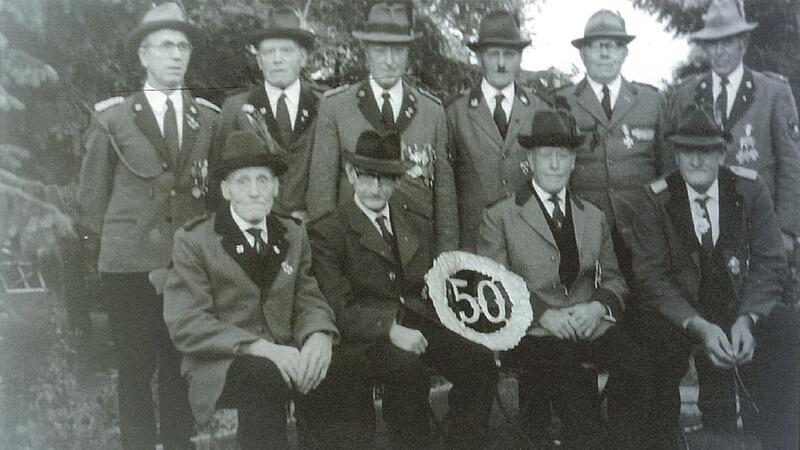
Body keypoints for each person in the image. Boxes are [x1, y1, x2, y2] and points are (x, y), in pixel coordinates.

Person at [163, 131, 367, 449]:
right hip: (222, 362)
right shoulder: (194, 241)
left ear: (275, 186)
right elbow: (188, 324)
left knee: (346, 366)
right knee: (265, 376)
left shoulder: (293, 233)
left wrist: (319, 335)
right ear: (226, 190)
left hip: (286, 352)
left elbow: (307, 296)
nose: (255, 191)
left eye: (263, 180)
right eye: (243, 182)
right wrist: (262, 348)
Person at [77, 3, 218, 448]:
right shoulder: (113, 118)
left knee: (181, 367)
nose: (174, 55)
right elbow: (91, 201)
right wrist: (124, 246)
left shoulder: (208, 119)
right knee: (135, 370)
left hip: (186, 268)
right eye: (163, 46)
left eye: (182, 46)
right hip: (130, 269)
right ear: (143, 55)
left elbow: (212, 195)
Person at [621, 105, 799, 449]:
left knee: (788, 328)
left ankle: (776, 437)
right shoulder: (656, 198)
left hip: (739, 306)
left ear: (721, 153)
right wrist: (698, 326)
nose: (697, 161)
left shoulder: (749, 188)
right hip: (683, 314)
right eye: (688, 151)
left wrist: (749, 318)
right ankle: (664, 439)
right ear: (676, 154)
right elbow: (652, 276)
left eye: (706, 151)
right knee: (646, 343)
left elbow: (770, 260)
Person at [477, 109, 654, 449]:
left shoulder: (593, 216)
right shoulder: (500, 216)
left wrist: (598, 309)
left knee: (637, 367)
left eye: (563, 156)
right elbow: (494, 285)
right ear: (530, 159)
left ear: (574, 161)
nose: (555, 165)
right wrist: (544, 313)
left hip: (589, 325)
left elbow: (615, 278)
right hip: (532, 332)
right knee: (572, 382)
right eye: (547, 156)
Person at [309, 130, 497, 449]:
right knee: (407, 370)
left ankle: (465, 441)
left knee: (478, 360)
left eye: (385, 179)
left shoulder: (411, 220)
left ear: (397, 181)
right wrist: (389, 329)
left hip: (418, 323)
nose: (375, 189)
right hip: (365, 336)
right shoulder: (329, 230)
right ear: (351, 175)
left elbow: (422, 284)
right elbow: (337, 307)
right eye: (367, 177)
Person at [668, 0, 800, 299]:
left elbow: (792, 168)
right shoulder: (686, 94)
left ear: (743, 43)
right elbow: (673, 164)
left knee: (765, 315)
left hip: (759, 227)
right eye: (712, 43)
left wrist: (788, 232)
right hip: (703, 231)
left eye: (727, 41)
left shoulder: (773, 93)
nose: (719, 51)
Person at [306, 0, 457, 253]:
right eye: (380, 50)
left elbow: (445, 201)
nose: (389, 61)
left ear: (408, 53)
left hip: (418, 254)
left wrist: (447, 262)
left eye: (397, 51)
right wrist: (327, 256)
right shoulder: (337, 106)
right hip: (355, 252)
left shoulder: (432, 111)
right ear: (366, 51)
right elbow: (321, 195)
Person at [445, 10, 547, 252]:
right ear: (480, 58)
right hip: (474, 242)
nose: (501, 63)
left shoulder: (539, 109)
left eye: (509, 54)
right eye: (493, 54)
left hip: (528, 242)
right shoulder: (455, 112)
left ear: (520, 58)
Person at [213, 6, 319, 222]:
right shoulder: (236, 108)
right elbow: (221, 175)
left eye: (286, 51)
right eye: (269, 52)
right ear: (260, 61)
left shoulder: (323, 105)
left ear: (303, 57)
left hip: (314, 228)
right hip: (256, 226)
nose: (277, 59)